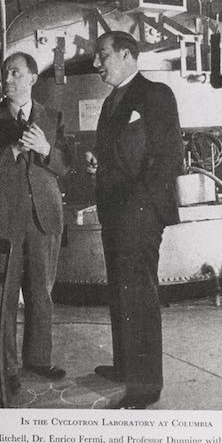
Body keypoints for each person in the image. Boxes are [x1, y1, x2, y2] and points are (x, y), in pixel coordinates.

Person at [86, 31, 184, 409]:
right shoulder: (112, 100)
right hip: (116, 210)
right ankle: (126, 366)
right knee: (120, 291)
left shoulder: (155, 94)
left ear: (127, 55)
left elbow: (167, 156)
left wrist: (139, 206)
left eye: (103, 55)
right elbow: (116, 153)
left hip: (140, 214)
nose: (97, 64)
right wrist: (98, 162)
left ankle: (146, 385)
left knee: (140, 296)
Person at [0, 52, 71, 394]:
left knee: (40, 294)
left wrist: (46, 148)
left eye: (15, 72)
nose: (8, 78)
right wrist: (14, 150)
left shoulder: (51, 116)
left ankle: (39, 360)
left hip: (44, 218)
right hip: (4, 219)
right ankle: (8, 369)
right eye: (5, 73)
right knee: (5, 300)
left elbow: (64, 166)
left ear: (32, 77)